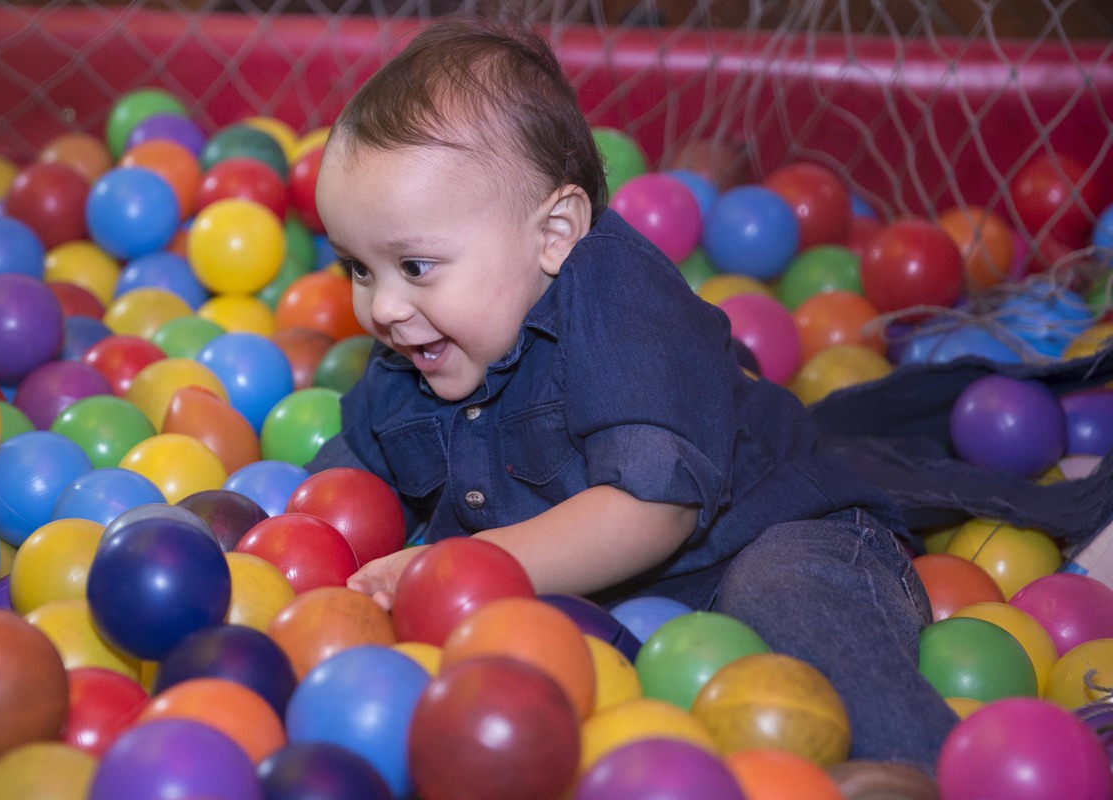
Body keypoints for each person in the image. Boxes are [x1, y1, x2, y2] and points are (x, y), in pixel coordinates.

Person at [307, 15, 958, 773]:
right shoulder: (413, 354)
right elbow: (342, 487)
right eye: (358, 268)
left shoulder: (623, 304)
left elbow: (654, 506)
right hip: (632, 631)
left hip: (774, 537)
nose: (383, 307)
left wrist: (461, 565)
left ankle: (923, 774)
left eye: (415, 267)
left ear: (555, 234)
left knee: (787, 598)